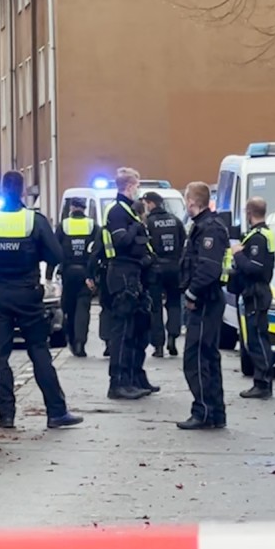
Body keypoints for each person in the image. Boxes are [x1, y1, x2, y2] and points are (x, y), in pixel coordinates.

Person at [0, 171, 84, 429]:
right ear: (23, 192)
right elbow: (56, 255)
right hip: (28, 293)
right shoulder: (35, 221)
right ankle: (56, 412)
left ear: (0, 190)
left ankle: (5, 415)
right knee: (39, 350)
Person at [176, 181, 230, 430]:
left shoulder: (209, 228)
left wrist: (192, 293)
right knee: (207, 356)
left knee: (196, 358)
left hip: (205, 300)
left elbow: (208, 267)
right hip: (206, 299)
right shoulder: (202, 226)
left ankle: (204, 411)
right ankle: (214, 412)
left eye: (186, 200)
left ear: (191, 201)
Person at [102, 167, 154, 400]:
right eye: (137, 185)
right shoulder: (117, 212)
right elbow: (121, 240)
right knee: (122, 330)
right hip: (122, 274)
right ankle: (118, 382)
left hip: (134, 274)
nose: (139, 190)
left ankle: (134, 377)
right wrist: (136, 226)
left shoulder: (128, 211)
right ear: (129, 186)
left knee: (137, 329)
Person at [229, 196, 275, 400]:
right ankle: (262, 381)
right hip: (255, 292)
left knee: (257, 339)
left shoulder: (258, 238)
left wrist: (238, 254)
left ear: (249, 213)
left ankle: (263, 382)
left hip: (256, 292)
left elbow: (254, 268)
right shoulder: (261, 234)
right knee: (257, 337)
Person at [142, 191, 186, 358]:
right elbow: (183, 243)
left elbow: (144, 245)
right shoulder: (175, 221)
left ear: (151, 203)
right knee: (174, 304)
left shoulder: (148, 222)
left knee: (156, 308)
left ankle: (158, 345)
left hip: (155, 269)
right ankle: (173, 338)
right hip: (174, 268)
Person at [54, 199, 100, 357]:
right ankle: (81, 343)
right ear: (84, 209)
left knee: (70, 308)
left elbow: (55, 250)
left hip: (68, 272)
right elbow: (97, 249)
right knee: (83, 308)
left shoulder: (63, 226)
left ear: (72, 208)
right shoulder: (92, 226)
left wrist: (49, 275)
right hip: (86, 272)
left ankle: (72, 340)